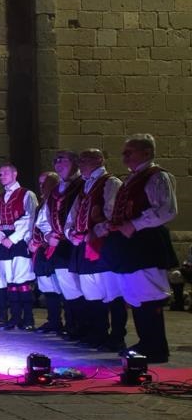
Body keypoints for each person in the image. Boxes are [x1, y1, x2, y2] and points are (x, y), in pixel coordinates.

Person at [101, 134, 178, 363]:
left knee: (149, 294)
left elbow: (166, 210)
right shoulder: (132, 179)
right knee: (135, 294)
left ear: (146, 152)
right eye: (124, 152)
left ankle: (156, 347)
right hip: (131, 243)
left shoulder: (157, 176)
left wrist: (135, 224)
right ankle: (146, 341)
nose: (124, 156)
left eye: (130, 152)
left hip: (146, 241)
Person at [64, 149, 122, 348]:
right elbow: (73, 215)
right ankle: (98, 333)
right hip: (84, 245)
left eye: (85, 160)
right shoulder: (85, 186)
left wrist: (94, 232)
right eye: (79, 160)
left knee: (112, 293)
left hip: (103, 245)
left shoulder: (110, 182)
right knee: (91, 292)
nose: (80, 164)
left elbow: (112, 214)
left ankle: (117, 337)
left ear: (99, 160)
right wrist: (71, 233)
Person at [32, 152, 82, 335]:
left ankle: (76, 326)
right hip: (53, 247)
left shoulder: (80, 186)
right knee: (58, 287)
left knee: (73, 288)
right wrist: (45, 237)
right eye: (56, 160)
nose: (42, 187)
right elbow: (42, 222)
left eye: (46, 183)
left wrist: (62, 234)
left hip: (73, 244)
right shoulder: (51, 197)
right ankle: (63, 324)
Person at [0, 164, 38, 330]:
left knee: (21, 280)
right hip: (3, 242)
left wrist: (13, 238)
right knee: (10, 281)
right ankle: (15, 317)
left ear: (15, 174)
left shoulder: (27, 194)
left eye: (5, 173)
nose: (2, 176)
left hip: (19, 241)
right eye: (0, 174)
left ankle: (28, 318)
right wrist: (0, 237)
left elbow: (29, 218)